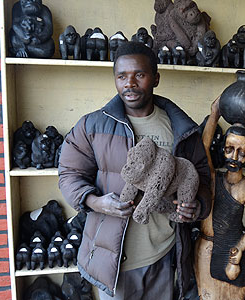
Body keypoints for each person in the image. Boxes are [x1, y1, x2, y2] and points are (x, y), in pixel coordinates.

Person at [58, 41, 211, 300]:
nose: (130, 83)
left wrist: (197, 206)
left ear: (156, 78)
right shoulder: (92, 125)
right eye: (122, 76)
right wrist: (95, 202)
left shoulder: (181, 128)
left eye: (139, 75)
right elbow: (69, 173)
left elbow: (202, 176)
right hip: (114, 260)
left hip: (165, 255)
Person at [195, 98, 245, 300]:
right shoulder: (213, 179)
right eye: (229, 149)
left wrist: (239, 249)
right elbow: (203, 150)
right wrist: (214, 114)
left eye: (241, 153)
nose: (234, 157)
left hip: (233, 251)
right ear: (222, 149)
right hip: (208, 249)